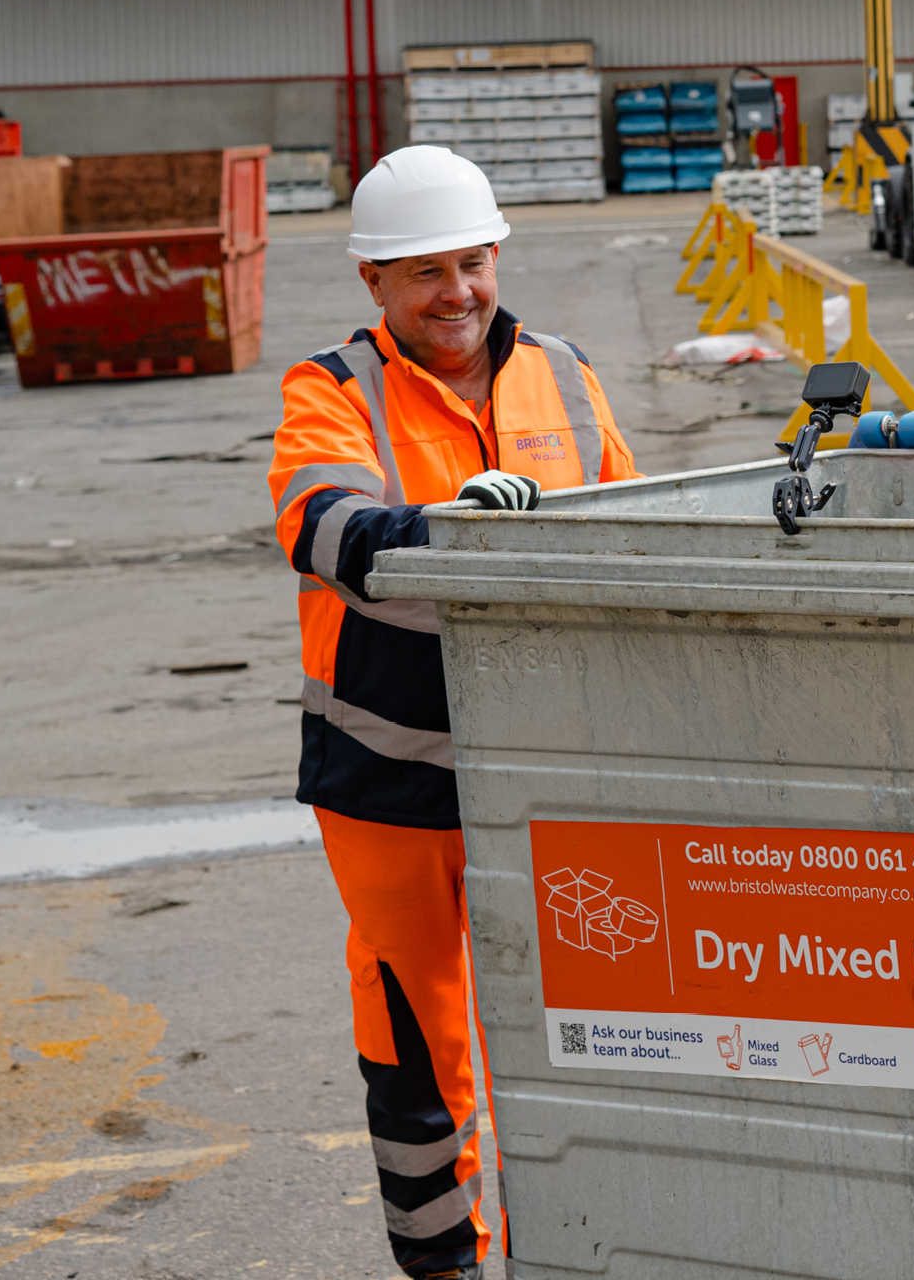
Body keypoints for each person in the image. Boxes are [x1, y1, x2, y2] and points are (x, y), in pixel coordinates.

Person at [267, 147, 637, 1277]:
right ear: (373, 283)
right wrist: (449, 527)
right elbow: (323, 532)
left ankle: (582, 1251)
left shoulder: (567, 373)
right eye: (423, 271)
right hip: (393, 783)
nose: (456, 292)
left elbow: (638, 532)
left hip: (559, 772)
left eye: (471, 262)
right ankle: (451, 1267)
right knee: (423, 1046)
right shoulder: (329, 391)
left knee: (594, 1040)